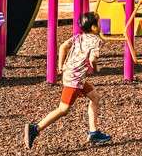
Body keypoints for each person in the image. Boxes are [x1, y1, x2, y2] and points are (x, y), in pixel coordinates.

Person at [26, 11, 111, 148]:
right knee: (63, 109)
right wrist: (95, 67)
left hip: (71, 74)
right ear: (94, 27)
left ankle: (94, 132)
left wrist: (60, 66)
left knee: (95, 97)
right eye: (99, 22)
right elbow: (93, 58)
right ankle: (35, 128)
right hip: (75, 79)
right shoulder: (97, 41)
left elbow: (63, 46)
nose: (101, 24)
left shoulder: (79, 37)